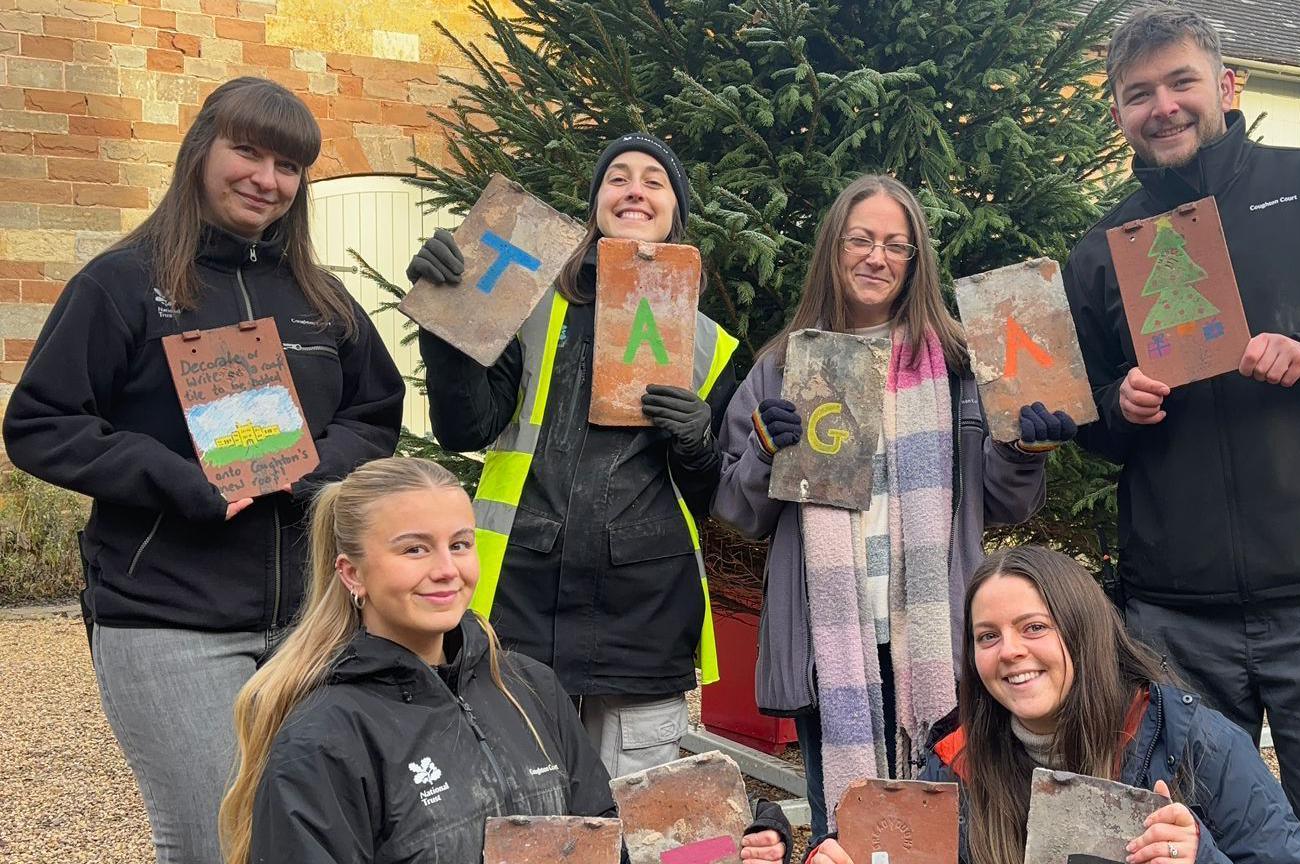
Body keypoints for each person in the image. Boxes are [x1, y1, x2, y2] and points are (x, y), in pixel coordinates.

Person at [1061, 9, 1300, 864]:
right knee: (1188, 837)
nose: (1161, 106)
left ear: (1226, 88)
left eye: (1180, 83)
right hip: (1176, 611)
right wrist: (1115, 405)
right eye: (1138, 94)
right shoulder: (1099, 251)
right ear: (1119, 113)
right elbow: (1079, 414)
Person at [1, 77, 405, 864]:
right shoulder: (122, 284)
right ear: (200, 152)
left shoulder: (320, 299)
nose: (266, 178)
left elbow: (376, 415)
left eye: (287, 166)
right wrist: (182, 480)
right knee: (214, 843)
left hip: (308, 620)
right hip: (167, 617)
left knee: (316, 839)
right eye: (247, 152)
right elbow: (41, 424)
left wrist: (311, 469)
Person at [712, 174, 1076, 835]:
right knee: (849, 832)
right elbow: (740, 514)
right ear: (833, 249)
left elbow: (1003, 503)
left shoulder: (964, 365)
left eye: (895, 245)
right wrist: (765, 453)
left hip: (943, 639)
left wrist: (1024, 452)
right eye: (861, 240)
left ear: (914, 261)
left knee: (959, 827)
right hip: (831, 648)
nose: (876, 257)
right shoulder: (784, 366)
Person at [218, 456, 791, 864]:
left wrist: (732, 839)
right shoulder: (325, 739)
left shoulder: (527, 687)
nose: (447, 569)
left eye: (460, 544)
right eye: (414, 548)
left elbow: (607, 840)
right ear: (352, 573)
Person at [405, 132, 739, 777]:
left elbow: (708, 498)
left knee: (631, 820)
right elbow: (464, 427)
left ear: (677, 214)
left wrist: (698, 441)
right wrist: (446, 325)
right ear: (594, 204)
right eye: (617, 177)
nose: (634, 189)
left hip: (643, 617)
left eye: (654, 180)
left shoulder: (707, 342)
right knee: (522, 816)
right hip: (517, 602)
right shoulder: (524, 300)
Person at [809, 546, 1300, 864]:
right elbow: (873, 845)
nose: (1009, 650)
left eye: (1034, 627)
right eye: (987, 636)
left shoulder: (1192, 740)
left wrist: (1198, 858)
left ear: (1084, 632)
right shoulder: (953, 761)